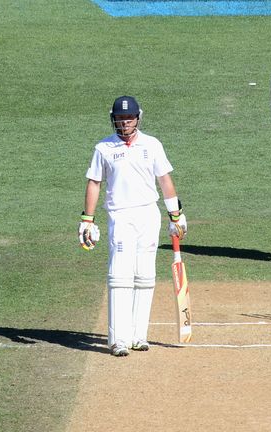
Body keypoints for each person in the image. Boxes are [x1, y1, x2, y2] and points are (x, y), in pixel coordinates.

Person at [79, 95, 187, 357]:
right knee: (120, 275)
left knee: (145, 274)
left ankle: (139, 336)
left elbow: (165, 179)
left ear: (138, 117)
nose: (124, 123)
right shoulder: (103, 148)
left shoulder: (152, 145)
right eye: (119, 118)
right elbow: (95, 182)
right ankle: (118, 340)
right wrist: (87, 219)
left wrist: (176, 214)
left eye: (128, 118)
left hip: (148, 214)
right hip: (120, 215)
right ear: (113, 119)